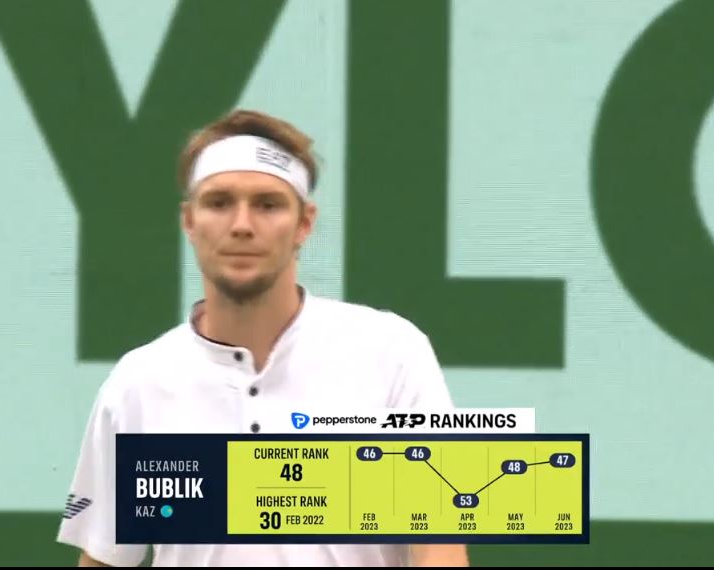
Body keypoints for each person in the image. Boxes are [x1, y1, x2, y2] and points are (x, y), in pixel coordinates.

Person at [56, 110, 469, 567]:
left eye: (268, 205)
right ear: (189, 221)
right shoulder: (139, 381)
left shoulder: (392, 352)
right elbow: (104, 558)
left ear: (304, 223)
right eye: (219, 203)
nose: (241, 225)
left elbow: (440, 544)